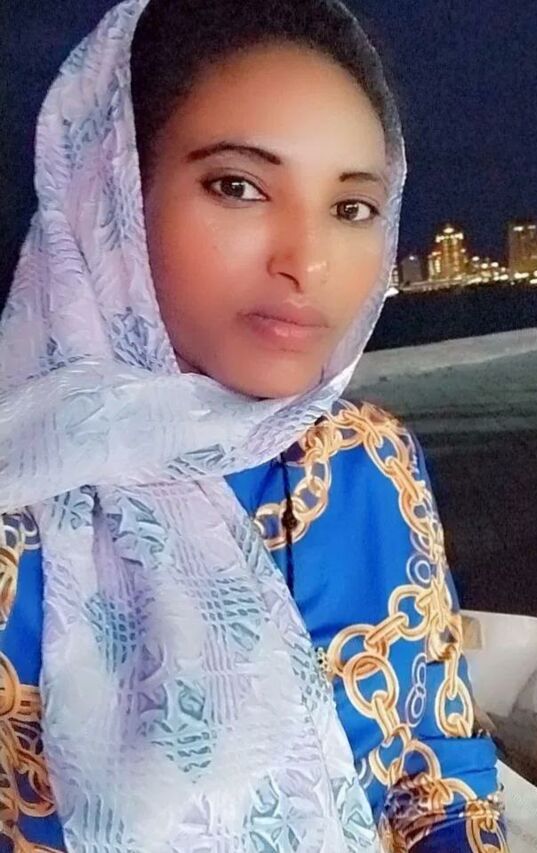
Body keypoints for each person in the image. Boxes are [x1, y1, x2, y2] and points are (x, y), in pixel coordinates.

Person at [0, 0, 508, 850]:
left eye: (352, 207)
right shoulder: (22, 511)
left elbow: (440, 777)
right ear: (110, 193)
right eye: (238, 186)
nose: (307, 260)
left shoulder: (370, 462)